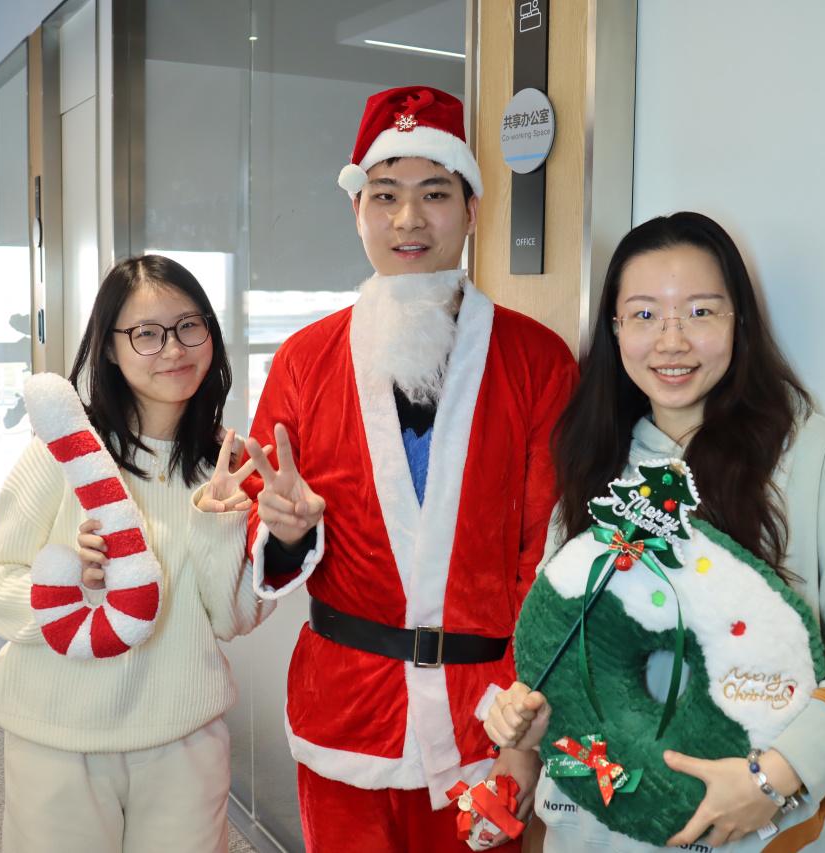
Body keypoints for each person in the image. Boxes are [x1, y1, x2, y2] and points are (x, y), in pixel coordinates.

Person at [483, 212, 825, 851]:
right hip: (600, 829)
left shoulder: (803, 453)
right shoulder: (592, 458)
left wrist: (777, 776)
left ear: (739, 323)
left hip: (771, 826)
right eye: (644, 315)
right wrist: (527, 716)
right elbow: (563, 639)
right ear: (615, 329)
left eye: (701, 312)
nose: (671, 341)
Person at [238, 86, 578, 852]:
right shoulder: (304, 360)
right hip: (345, 709)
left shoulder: (536, 360)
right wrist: (286, 532)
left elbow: (549, 553)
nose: (408, 221)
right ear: (355, 208)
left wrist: (523, 723)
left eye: (434, 194)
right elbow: (263, 532)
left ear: (473, 206)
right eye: (384, 196)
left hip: (485, 713)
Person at [0, 255, 273, 853]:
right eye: (146, 334)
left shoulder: (225, 465)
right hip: (59, 735)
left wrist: (232, 527)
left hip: (184, 735)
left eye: (189, 325)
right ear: (108, 348)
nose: (174, 349)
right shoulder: (64, 453)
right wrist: (66, 586)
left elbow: (233, 618)